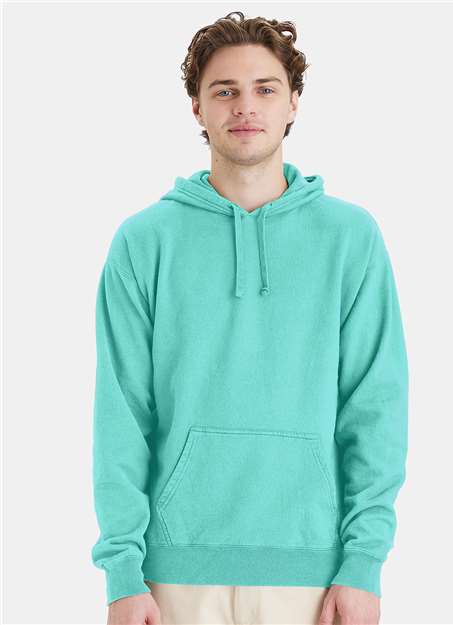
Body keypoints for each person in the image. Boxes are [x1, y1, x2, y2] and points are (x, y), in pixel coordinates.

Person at [91, 10, 409, 625]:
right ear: (196, 107)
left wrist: (363, 564)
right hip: (170, 576)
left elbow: (375, 409)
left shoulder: (350, 238)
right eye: (225, 91)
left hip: (315, 576)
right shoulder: (144, 242)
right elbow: (121, 417)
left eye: (265, 89)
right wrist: (122, 573)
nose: (245, 106)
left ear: (293, 104)